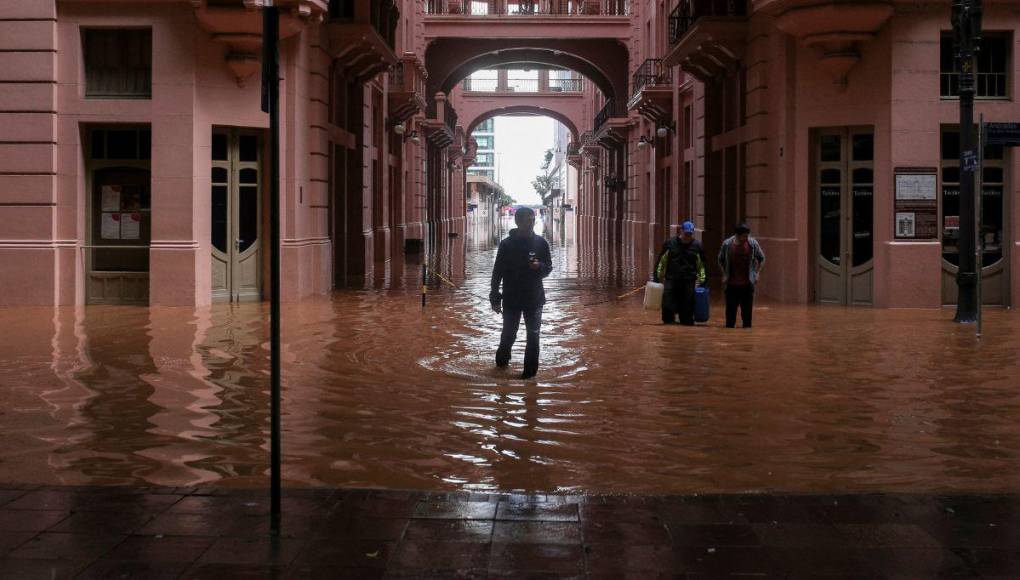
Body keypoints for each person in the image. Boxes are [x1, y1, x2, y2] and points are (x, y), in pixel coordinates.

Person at [490, 207, 553, 379]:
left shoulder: (541, 243)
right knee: (509, 334)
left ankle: (529, 377)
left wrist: (539, 267)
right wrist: (495, 297)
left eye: (532, 220)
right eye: (526, 220)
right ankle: (501, 367)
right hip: (511, 298)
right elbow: (497, 272)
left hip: (534, 299)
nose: (530, 223)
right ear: (517, 222)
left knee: (533, 336)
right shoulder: (506, 244)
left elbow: (548, 268)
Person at [653, 220, 706, 325]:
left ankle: (685, 325)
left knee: (687, 309)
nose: (688, 236)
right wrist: (657, 276)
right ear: (681, 231)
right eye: (686, 234)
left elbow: (701, 266)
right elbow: (662, 262)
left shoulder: (697, 246)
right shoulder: (670, 244)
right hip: (671, 279)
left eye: (690, 234)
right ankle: (669, 324)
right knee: (667, 305)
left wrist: (703, 280)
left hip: (689, 281)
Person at [717, 223, 766, 328]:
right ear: (737, 235)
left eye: (747, 235)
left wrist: (757, 273)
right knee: (730, 321)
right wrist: (724, 274)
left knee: (747, 320)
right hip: (731, 285)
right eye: (744, 236)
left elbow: (762, 258)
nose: (746, 238)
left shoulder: (752, 244)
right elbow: (720, 260)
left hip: (747, 284)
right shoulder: (727, 245)